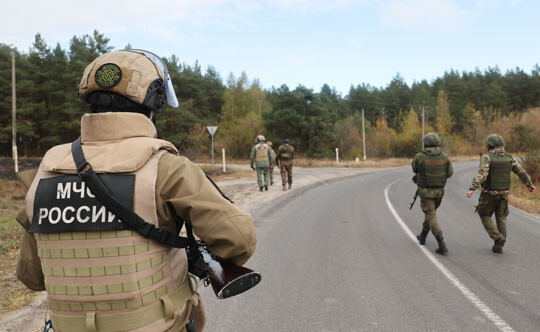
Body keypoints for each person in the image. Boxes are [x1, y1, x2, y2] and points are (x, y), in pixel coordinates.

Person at [14, 49, 256, 332]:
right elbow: (239, 240)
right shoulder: (167, 167)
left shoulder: (46, 170)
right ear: (153, 103)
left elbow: (31, 277)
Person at [467, 134, 535, 254]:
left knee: (484, 215)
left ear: (490, 145)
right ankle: (499, 245)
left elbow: (483, 174)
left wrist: (473, 188)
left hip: (489, 194)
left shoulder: (487, 157)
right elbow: (521, 171)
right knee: (501, 218)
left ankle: (498, 238)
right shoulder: (509, 157)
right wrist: (529, 185)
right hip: (504, 194)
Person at [412, 133, 453, 255]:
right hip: (439, 193)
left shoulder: (420, 157)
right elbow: (450, 173)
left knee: (431, 215)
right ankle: (423, 236)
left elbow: (414, 169)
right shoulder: (444, 157)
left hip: (426, 192)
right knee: (431, 214)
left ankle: (441, 243)